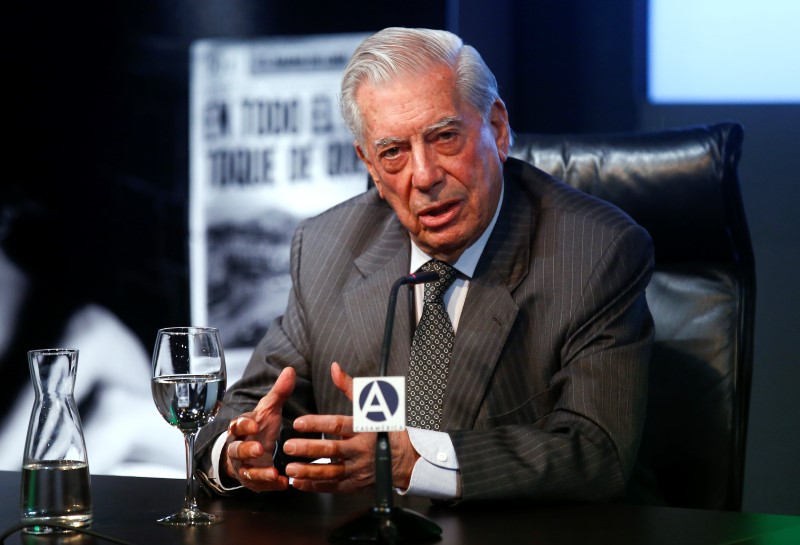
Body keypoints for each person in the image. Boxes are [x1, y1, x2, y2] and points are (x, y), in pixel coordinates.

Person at [195, 27, 654, 502]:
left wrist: (414, 461)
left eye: (445, 137)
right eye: (392, 152)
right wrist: (239, 451)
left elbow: (596, 452)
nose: (425, 175)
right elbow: (246, 412)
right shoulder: (326, 248)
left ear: (496, 129)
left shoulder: (595, 253)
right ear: (369, 165)